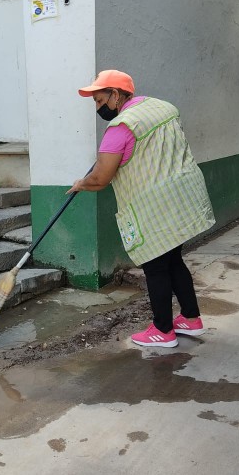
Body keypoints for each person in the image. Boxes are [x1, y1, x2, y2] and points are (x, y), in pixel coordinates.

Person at [67, 70, 215, 348]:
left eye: (100, 100)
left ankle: (162, 330)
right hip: (182, 197)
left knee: (156, 266)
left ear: (116, 94)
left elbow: (100, 178)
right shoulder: (164, 109)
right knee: (173, 260)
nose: (98, 108)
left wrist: (81, 184)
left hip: (153, 205)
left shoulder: (120, 127)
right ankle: (191, 319)